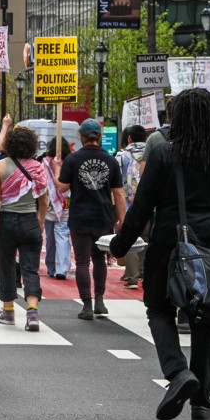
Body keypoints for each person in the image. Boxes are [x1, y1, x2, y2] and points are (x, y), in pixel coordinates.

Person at [109, 89, 210, 420]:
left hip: (170, 242)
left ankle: (177, 372)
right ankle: (202, 405)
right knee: (205, 321)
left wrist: (120, 244)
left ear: (178, 118)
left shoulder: (163, 154)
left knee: (158, 308)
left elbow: (141, 207)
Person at [54, 118, 125, 320]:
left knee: (83, 262)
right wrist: (122, 219)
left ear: (81, 137)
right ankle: (100, 301)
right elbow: (118, 193)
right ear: (99, 137)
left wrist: (57, 168)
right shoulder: (111, 161)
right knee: (99, 259)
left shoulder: (73, 160)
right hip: (103, 218)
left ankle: (86, 305)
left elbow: (62, 187)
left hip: (80, 217)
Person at [0, 125, 50, 329]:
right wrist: (40, 221)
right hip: (29, 220)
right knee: (31, 268)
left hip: (6, 221)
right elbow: (44, 200)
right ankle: (32, 311)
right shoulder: (38, 167)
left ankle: (8, 311)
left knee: (5, 266)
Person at [116, 125, 148, 290]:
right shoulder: (153, 153)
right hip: (148, 202)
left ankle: (132, 276)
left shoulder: (122, 156)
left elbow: (116, 182)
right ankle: (144, 272)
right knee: (146, 238)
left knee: (130, 237)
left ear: (129, 138)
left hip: (128, 203)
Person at [42, 140, 73, 280]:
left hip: (48, 203)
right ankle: (61, 268)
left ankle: (51, 267)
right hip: (66, 202)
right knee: (62, 236)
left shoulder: (44, 163)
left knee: (50, 238)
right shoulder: (70, 162)